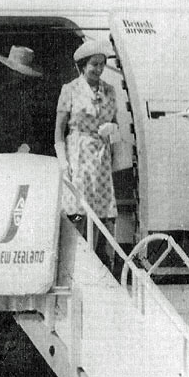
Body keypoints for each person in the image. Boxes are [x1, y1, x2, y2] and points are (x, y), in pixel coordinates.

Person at [54, 40, 119, 266]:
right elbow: (58, 132)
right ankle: (77, 262)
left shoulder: (109, 91)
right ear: (83, 65)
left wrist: (112, 131)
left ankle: (103, 264)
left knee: (103, 213)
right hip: (78, 154)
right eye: (94, 64)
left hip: (101, 157)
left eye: (102, 64)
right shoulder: (70, 89)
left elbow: (116, 125)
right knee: (78, 210)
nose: (99, 69)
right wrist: (63, 161)